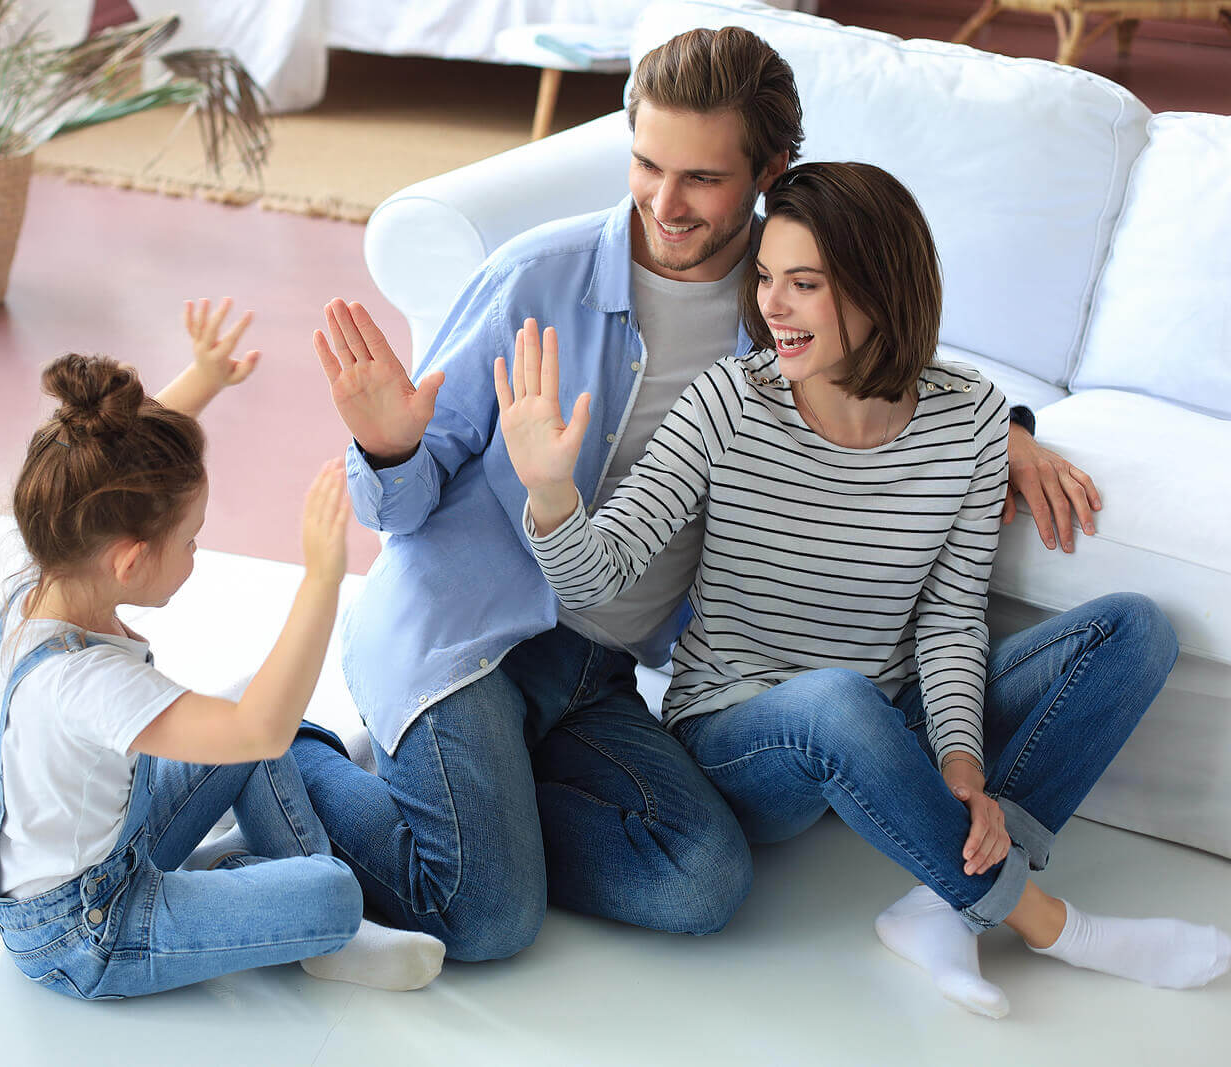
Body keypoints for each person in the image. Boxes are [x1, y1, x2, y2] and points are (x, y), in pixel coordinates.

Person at [292, 25, 1162, 965]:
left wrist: (1009, 432)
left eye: (701, 178)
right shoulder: (532, 283)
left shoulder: (778, 312)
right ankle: (285, 753)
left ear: (769, 169)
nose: (664, 205)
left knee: (702, 881)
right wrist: (388, 444)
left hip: (596, 669)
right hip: (463, 635)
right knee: (488, 919)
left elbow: (881, 333)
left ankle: (480, 814)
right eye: (646, 165)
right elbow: (398, 513)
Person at [502, 160, 1226, 1017]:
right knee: (837, 700)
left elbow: (951, 620)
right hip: (742, 733)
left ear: (880, 291)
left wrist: (960, 763)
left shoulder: (970, 417)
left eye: (803, 284)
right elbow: (599, 572)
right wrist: (551, 492)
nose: (771, 306)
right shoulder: (728, 403)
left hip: (888, 718)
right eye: (766, 278)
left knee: (1135, 630)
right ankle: (1047, 921)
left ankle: (941, 904)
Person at [0, 299, 444, 998]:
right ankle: (304, 908)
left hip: (108, 842)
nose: (196, 549)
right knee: (333, 890)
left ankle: (278, 896)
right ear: (130, 562)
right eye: (190, 539)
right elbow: (258, 731)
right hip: (87, 930)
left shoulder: (53, 558)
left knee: (247, 698)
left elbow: (115, 466)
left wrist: (203, 380)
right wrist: (321, 578)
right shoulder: (88, 683)